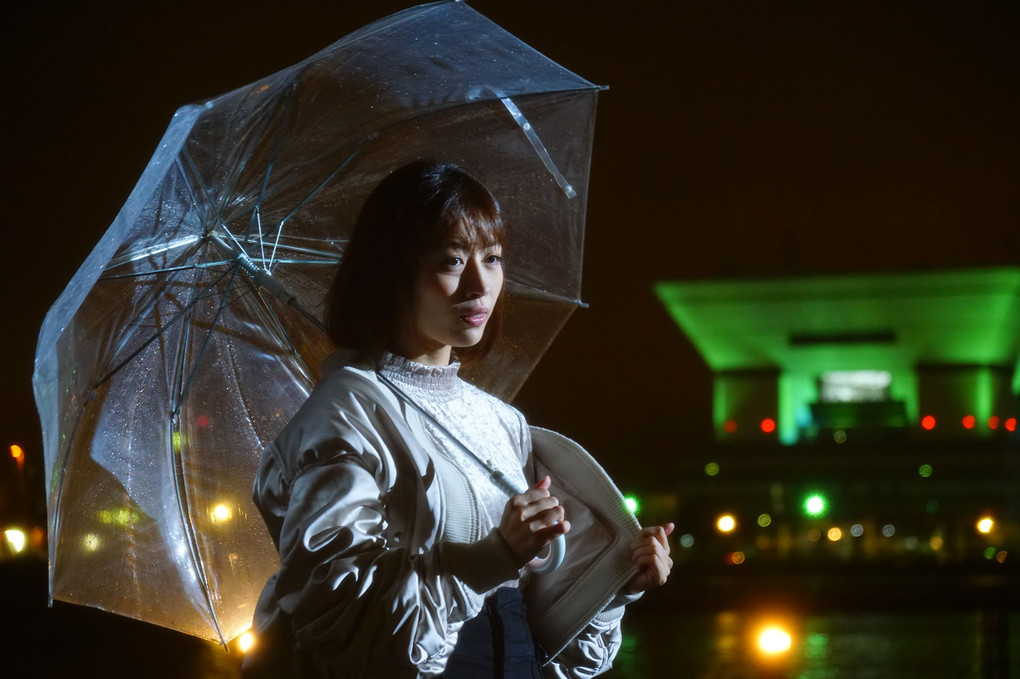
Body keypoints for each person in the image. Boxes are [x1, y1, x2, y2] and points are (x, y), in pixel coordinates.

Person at [244, 161, 673, 679]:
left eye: (492, 258)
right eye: (452, 261)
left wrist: (614, 582)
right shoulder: (345, 414)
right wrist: (494, 556)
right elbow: (338, 615)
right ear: (392, 271)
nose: (481, 285)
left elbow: (536, 627)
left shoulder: (501, 421)